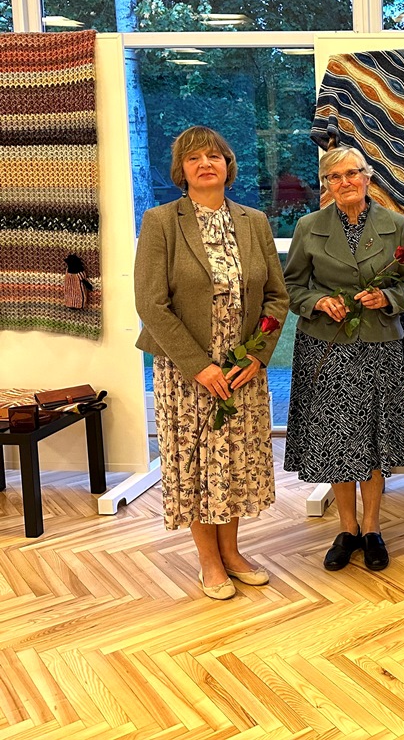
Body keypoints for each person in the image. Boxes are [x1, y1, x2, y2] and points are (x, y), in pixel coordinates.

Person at [135, 126, 289, 600]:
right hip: (187, 372)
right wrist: (198, 365)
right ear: (181, 170)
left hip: (242, 370)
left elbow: (277, 297)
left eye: (214, 156)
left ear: (228, 165)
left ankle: (232, 552)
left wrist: (258, 356)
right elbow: (151, 303)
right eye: (194, 158)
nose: (206, 164)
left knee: (235, 461)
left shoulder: (253, 221)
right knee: (198, 463)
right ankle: (208, 560)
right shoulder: (162, 221)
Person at [283, 146, 404, 573]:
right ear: (326, 184)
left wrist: (388, 297)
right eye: (335, 176)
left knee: (374, 439)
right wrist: (319, 301)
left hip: (378, 344)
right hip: (326, 346)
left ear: (368, 176)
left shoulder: (395, 225)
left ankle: (373, 529)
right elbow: (291, 288)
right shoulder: (309, 227)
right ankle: (347, 529)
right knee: (337, 439)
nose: (345, 182)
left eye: (353, 173)